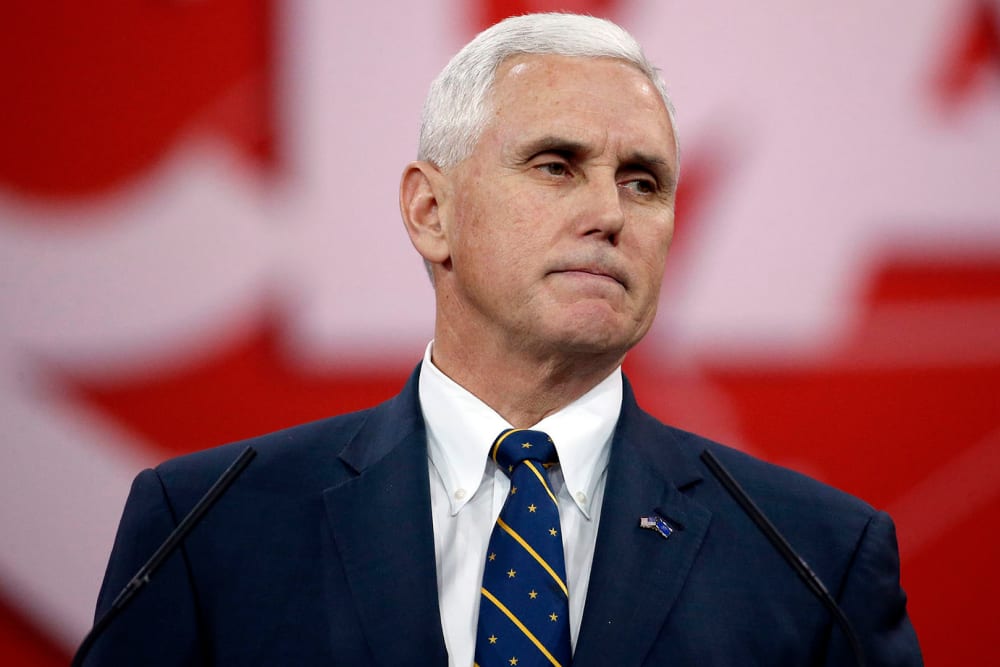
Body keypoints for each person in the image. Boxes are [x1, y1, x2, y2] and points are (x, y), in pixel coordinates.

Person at [83, 13, 922, 666]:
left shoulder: (813, 558)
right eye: (557, 165)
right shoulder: (208, 528)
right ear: (430, 211)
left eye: (644, 182)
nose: (609, 214)